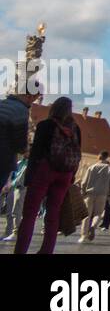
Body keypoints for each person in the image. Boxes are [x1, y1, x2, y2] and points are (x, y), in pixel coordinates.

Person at [13, 95, 81, 254]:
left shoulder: (46, 125)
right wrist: (71, 177)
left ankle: (20, 250)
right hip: (64, 175)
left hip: (44, 171)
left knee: (29, 214)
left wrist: (29, 177)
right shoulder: (75, 129)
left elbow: (36, 152)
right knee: (53, 215)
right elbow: (77, 154)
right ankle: (46, 250)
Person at [0, 83, 39, 198]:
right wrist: (27, 150)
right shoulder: (21, 110)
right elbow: (20, 143)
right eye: (33, 98)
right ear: (28, 95)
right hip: (3, 159)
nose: (32, 102)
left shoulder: (2, 104)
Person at [78, 151, 110, 244]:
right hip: (103, 194)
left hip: (90, 194)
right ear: (107, 157)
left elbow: (83, 182)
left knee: (87, 215)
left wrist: (83, 193)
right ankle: (93, 226)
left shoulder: (92, 167)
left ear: (99, 157)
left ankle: (83, 236)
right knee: (98, 214)